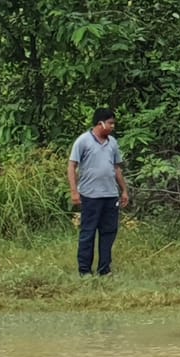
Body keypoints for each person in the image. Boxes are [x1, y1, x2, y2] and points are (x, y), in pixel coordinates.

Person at [68, 107, 129, 276]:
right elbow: (72, 166)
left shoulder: (113, 143)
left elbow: (116, 168)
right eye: (110, 123)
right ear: (100, 123)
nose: (112, 127)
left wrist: (124, 190)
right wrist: (74, 191)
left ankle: (104, 269)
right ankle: (85, 270)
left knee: (108, 232)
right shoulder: (83, 141)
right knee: (88, 232)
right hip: (90, 195)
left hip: (110, 195)